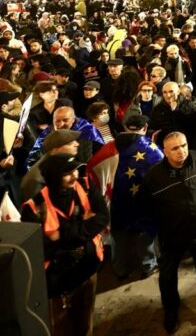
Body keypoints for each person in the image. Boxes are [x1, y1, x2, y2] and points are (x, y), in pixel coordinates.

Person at [137, 132, 196, 333]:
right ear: (165, 151)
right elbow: (144, 204)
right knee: (168, 274)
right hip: (172, 233)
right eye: (175, 148)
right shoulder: (154, 177)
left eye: (184, 145)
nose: (181, 151)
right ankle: (171, 309)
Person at [21, 154, 108, 336]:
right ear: (53, 177)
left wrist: (64, 236)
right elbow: (39, 247)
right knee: (60, 325)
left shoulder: (85, 186)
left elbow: (102, 217)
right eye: (67, 173)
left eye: (75, 170)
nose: (74, 175)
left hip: (88, 267)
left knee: (86, 317)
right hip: (58, 278)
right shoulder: (34, 207)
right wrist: (84, 227)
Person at [86, 113, 163, 281]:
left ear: (125, 127)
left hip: (117, 202)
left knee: (118, 236)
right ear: (145, 128)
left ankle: (120, 269)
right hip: (144, 204)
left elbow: (92, 168)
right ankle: (148, 265)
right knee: (144, 235)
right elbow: (163, 171)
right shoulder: (151, 149)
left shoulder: (109, 148)